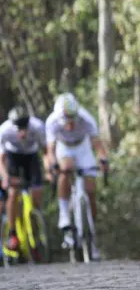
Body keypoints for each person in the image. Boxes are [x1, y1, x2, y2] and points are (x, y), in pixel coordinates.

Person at [45, 93, 109, 260]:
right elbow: (50, 151)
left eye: (73, 119)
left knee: (90, 190)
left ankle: (91, 235)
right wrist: (53, 165)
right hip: (64, 148)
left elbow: (98, 145)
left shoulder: (86, 119)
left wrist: (102, 159)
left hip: (82, 148)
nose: (71, 124)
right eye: (67, 120)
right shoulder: (52, 122)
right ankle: (64, 215)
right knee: (65, 170)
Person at [0, 106, 47, 253]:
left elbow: (45, 151)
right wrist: (5, 177)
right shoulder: (4, 130)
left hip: (31, 156)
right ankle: (13, 233)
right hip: (12, 157)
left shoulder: (38, 126)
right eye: (19, 128)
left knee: (37, 190)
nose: (22, 131)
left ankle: (37, 222)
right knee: (13, 192)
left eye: (24, 127)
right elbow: (1, 159)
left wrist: (48, 170)